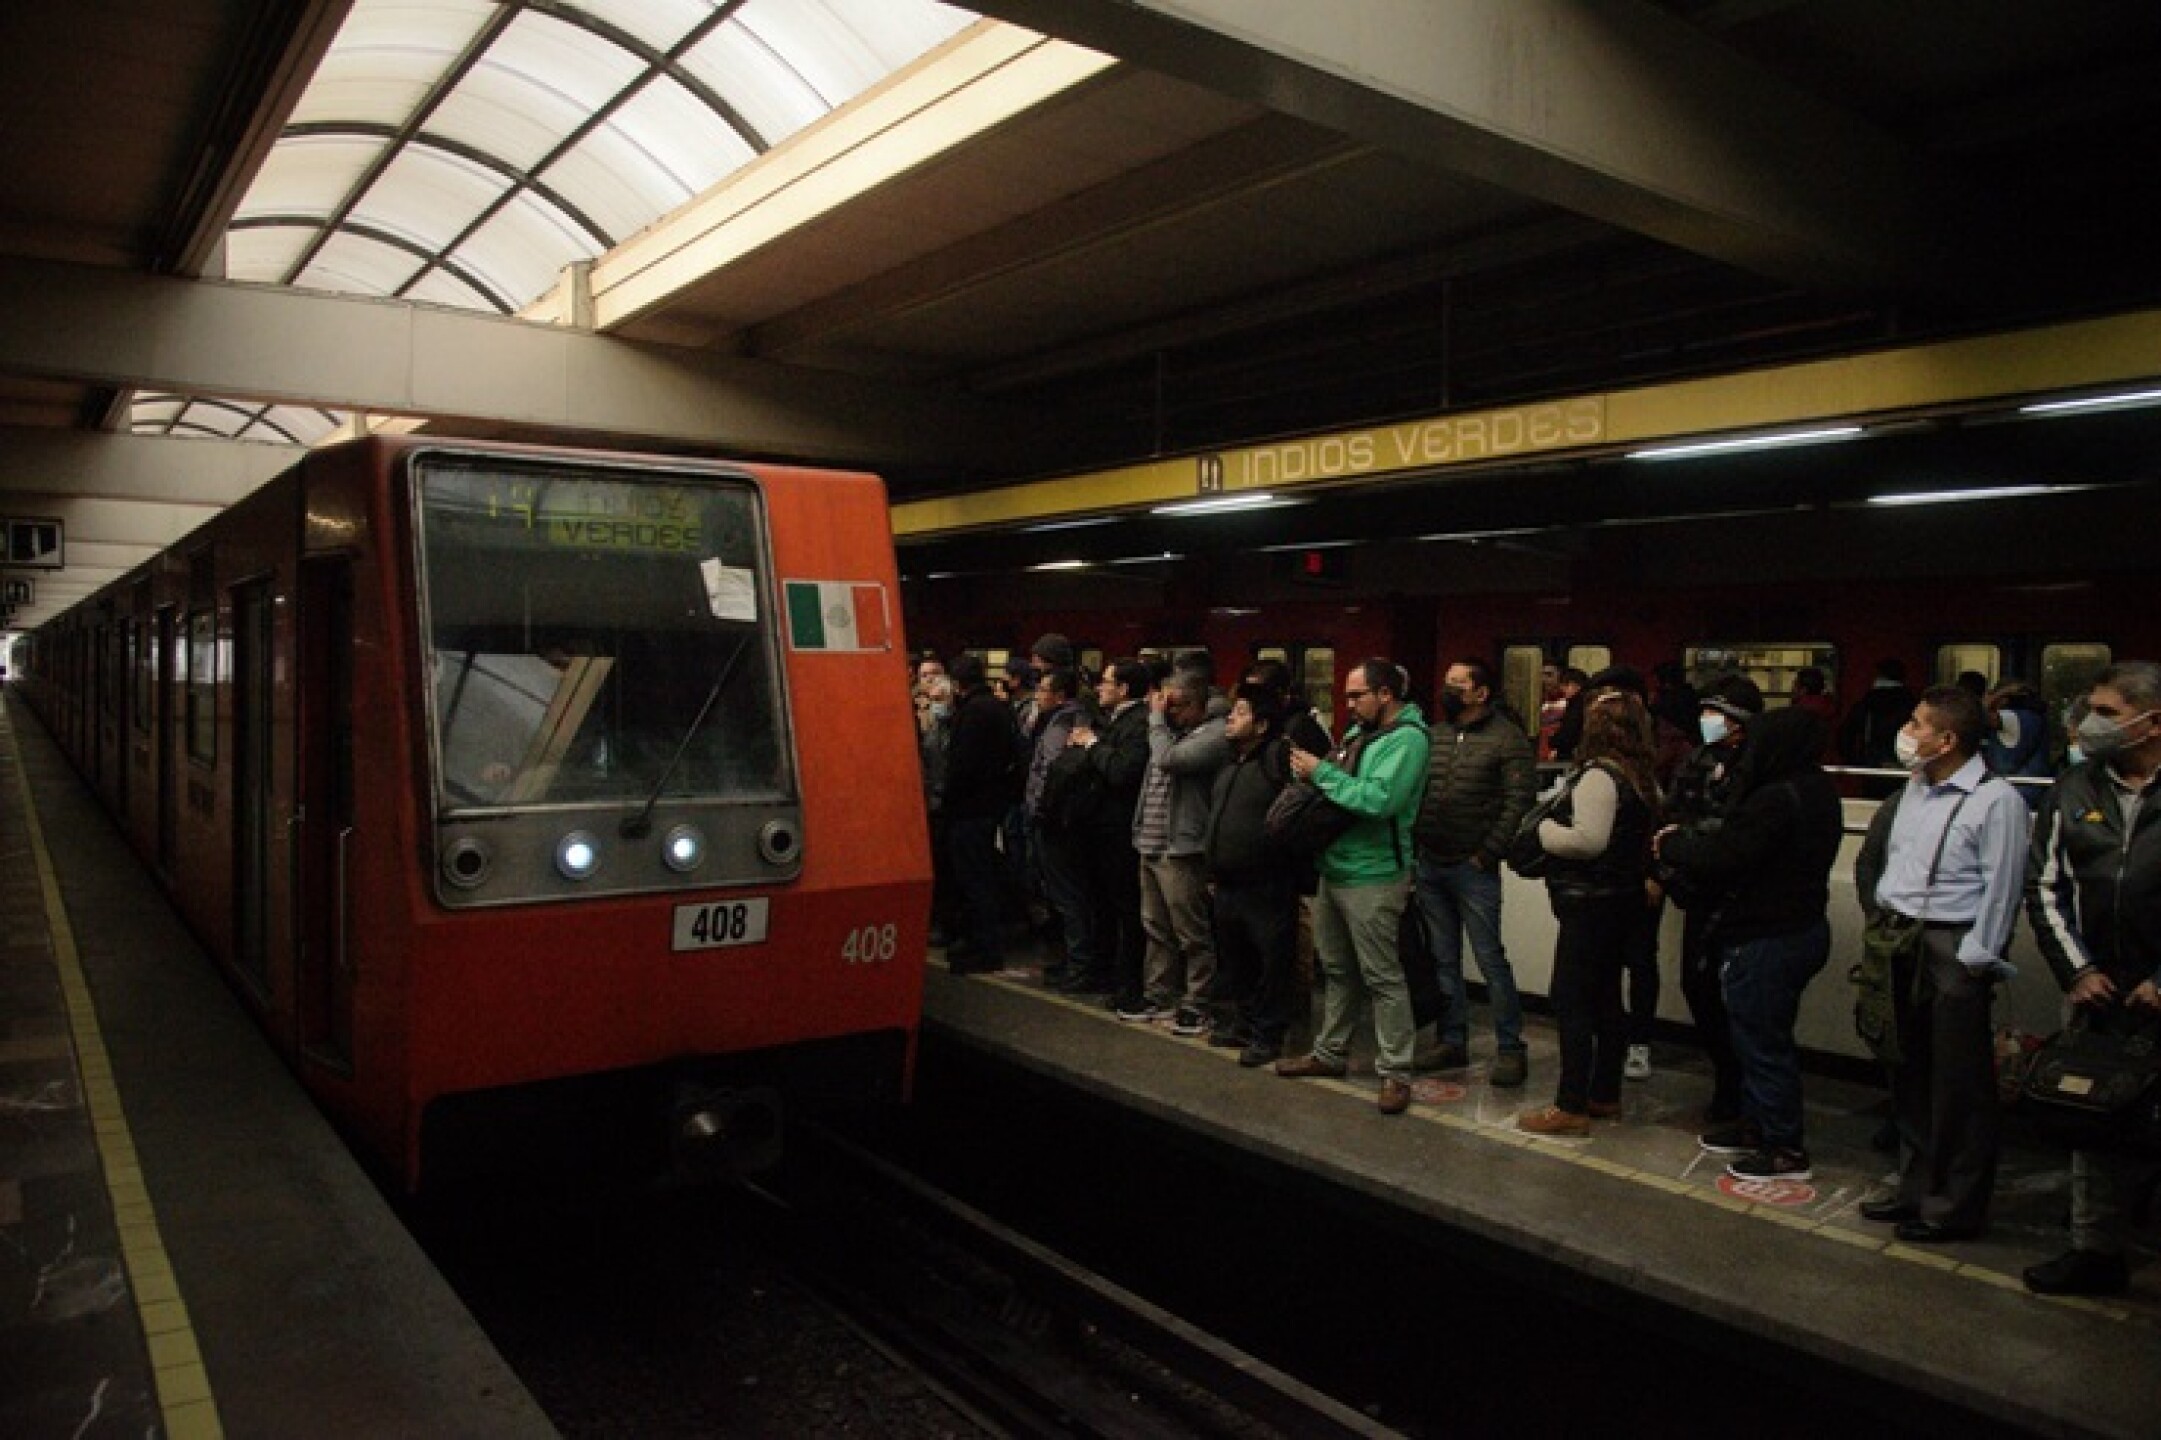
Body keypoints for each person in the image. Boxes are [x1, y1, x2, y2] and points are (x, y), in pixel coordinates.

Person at [1853, 684, 2029, 1242]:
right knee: (1907, 1070)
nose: (1907, 733)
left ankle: (1953, 1206)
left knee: (1958, 1085)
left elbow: (2002, 888)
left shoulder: (1996, 801)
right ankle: (1914, 1187)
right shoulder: (1913, 790)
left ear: (1947, 739)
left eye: (1917, 724)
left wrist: (1975, 961)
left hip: (1952, 946)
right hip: (1899, 938)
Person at [1655, 705, 1844, 1180]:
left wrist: (1671, 846)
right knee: (1760, 1036)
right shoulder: (1819, 789)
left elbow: (1728, 855)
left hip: (1765, 935)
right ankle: (1755, 1125)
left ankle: (1783, 1147)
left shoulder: (1774, 798)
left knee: (1762, 1043)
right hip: (1801, 928)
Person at [2022, 661, 2161, 1296]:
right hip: (2096, 987)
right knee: (2089, 1120)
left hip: (2156, 988)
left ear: (2150, 721)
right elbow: (2044, 885)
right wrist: (2076, 971)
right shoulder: (2073, 788)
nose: (2089, 722)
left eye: (2106, 711)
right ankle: (2094, 1249)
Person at [1275, 660, 1432, 1114]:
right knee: (1338, 970)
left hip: (1376, 873)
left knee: (1382, 976)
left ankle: (1396, 1072)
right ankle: (1329, 1052)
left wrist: (1320, 774)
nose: (1348, 704)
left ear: (1385, 694)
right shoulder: (1356, 734)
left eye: (1356, 695)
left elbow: (1380, 799)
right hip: (1336, 867)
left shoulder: (1408, 740)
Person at [1516, 685, 1660, 1136]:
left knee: (1572, 999)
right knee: (1607, 1001)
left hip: (1590, 906)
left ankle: (1570, 1105)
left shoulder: (1600, 776)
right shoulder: (1642, 778)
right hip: (1624, 903)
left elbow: (1587, 841)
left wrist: (1544, 834)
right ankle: (1604, 1094)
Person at [1410, 657, 1537, 1087]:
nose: (1448, 690)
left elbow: (1518, 801)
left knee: (1489, 958)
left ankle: (1510, 1047)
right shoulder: (1436, 734)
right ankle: (1452, 1039)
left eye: (1458, 684)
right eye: (1447, 682)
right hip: (1431, 860)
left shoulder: (1508, 738)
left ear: (1481, 692)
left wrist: (1486, 854)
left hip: (1472, 867)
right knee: (1443, 958)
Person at [1659, 674, 1764, 1117]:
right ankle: (1726, 1074)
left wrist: (1691, 841)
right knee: (1698, 986)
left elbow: (1739, 837)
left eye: (1715, 713)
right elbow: (1674, 817)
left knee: (1746, 999)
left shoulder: (1760, 768)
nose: (1707, 721)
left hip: (1746, 901)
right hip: (1698, 896)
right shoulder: (1697, 761)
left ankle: (1747, 1092)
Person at [1123, 670, 1230, 1034]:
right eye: (1166, 706)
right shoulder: (1169, 732)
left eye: (1178, 706)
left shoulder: (1214, 734)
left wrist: (1155, 719)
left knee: (1191, 931)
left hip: (1183, 847)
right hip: (1151, 842)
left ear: (1200, 704)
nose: (1170, 713)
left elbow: (1169, 760)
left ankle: (1197, 1002)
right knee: (1155, 927)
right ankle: (1159, 996)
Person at [1203, 684, 1302, 1066]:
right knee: (1236, 959)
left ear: (1261, 724)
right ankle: (1243, 1023)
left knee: (1271, 962)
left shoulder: (1277, 758)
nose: (1230, 717)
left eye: (1240, 712)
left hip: (1267, 881)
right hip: (1227, 881)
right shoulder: (1230, 762)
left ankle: (1269, 1034)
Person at [1068, 659, 1153, 1005]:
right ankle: (1102, 971)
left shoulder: (1138, 724)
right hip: (1099, 826)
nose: (1100, 687)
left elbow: (1121, 772)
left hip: (1119, 829)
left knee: (1124, 907)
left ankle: (1128, 983)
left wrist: (1091, 746)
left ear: (1124, 689)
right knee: (1100, 903)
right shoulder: (1114, 720)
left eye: (1107, 682)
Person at [941, 653, 1023, 975]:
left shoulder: (971, 712)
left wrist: (947, 799)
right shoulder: (999, 709)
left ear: (959, 683)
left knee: (973, 879)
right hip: (991, 805)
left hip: (968, 808)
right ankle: (983, 942)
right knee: (983, 875)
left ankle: (984, 947)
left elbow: (962, 766)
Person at [1025, 667, 1095, 988]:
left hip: (1055, 822)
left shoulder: (1061, 724)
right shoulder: (1075, 719)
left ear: (1059, 695)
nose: (1038, 695)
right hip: (1064, 821)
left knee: (1067, 897)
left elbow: (1050, 772)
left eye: (1043, 690)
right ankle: (1073, 961)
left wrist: (1040, 810)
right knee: (1068, 896)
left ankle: (1078, 966)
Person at [1982, 679, 2053, 804]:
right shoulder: (2037, 718)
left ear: (2004, 700)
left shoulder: (2011, 717)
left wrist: (1995, 696)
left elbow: (1980, 715)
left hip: (2014, 789)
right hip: (2033, 790)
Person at [1840, 657, 1917, 772]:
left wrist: (1854, 760)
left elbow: (1846, 735)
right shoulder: (1914, 704)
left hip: (1872, 764)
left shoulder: (1866, 703)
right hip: (1905, 763)